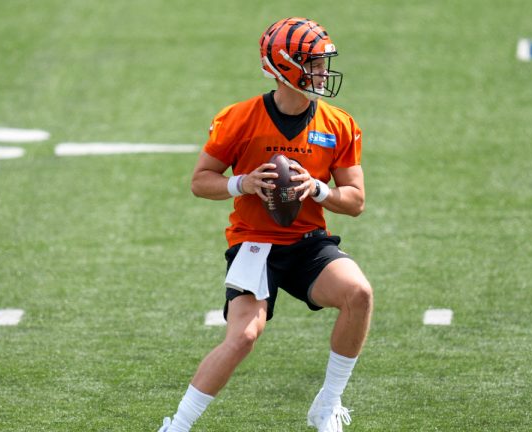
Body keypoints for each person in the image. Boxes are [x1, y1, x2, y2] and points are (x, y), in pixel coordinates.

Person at [158, 17, 373, 432]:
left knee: (359, 293)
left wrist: (318, 190)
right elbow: (200, 181)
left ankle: (327, 404)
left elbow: (356, 202)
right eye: (314, 63)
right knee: (243, 337)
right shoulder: (239, 119)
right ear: (285, 67)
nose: (323, 72)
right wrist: (244, 183)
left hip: (310, 242)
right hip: (255, 243)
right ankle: (177, 425)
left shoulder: (339, 123)